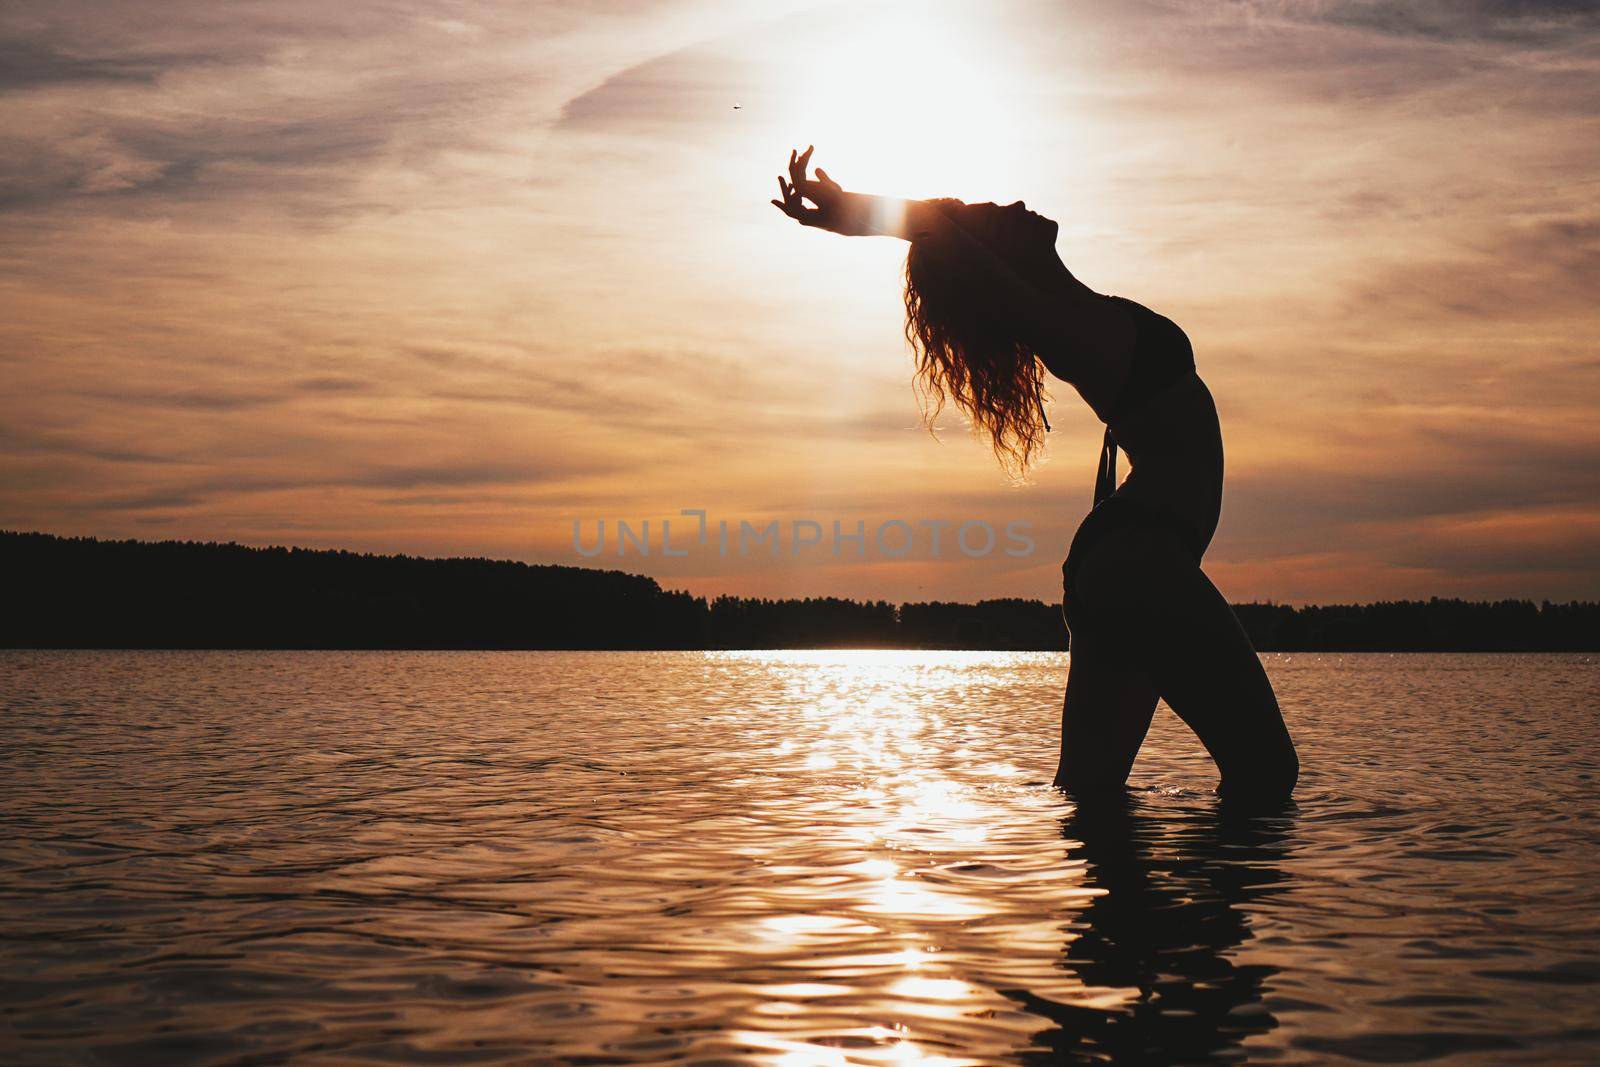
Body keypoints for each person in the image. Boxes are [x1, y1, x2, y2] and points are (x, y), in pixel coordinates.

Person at [772, 146, 1298, 805]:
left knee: (1091, 795)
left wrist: (874, 216)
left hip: (1119, 564)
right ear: (991, 263)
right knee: (1267, 772)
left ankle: (1120, 911)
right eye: (989, 217)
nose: (1009, 206)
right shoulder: (1049, 317)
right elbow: (941, 230)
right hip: (1141, 561)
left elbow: (949, 227)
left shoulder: (1069, 307)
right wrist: (866, 213)